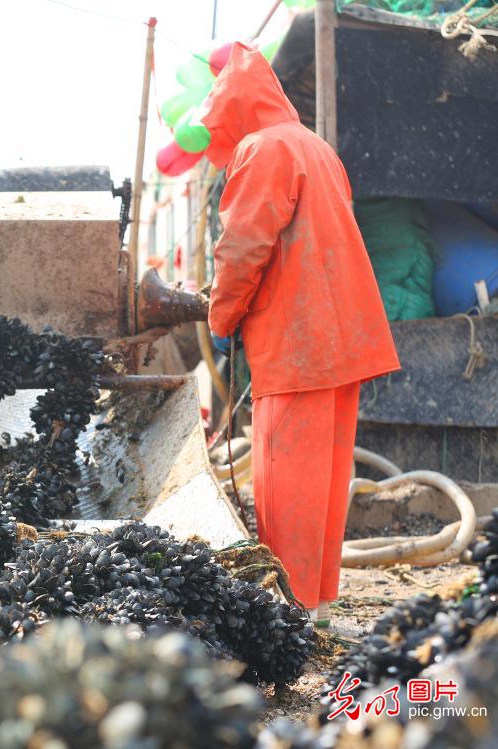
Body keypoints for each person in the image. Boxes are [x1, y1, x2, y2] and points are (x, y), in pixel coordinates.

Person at [201, 44, 400, 628]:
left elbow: (243, 245)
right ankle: (318, 603)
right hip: (343, 339)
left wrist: (221, 316)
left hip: (297, 343)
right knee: (327, 483)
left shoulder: (262, 149)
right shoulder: (317, 147)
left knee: (286, 484)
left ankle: (290, 612)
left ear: (236, 110)